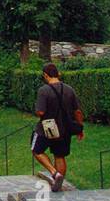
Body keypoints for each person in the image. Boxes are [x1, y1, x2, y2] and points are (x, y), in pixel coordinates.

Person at [31, 62, 84, 193]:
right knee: (60, 156)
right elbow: (77, 111)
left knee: (36, 150)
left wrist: (37, 110)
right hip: (65, 128)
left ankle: (55, 173)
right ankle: (58, 184)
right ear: (58, 73)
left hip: (47, 127)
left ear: (45, 75)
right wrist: (80, 128)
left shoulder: (44, 91)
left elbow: (40, 112)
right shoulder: (69, 89)